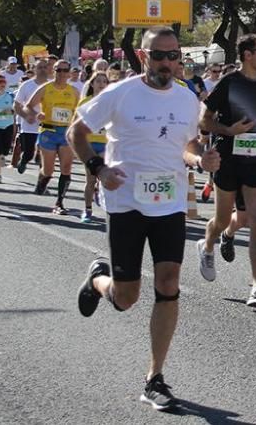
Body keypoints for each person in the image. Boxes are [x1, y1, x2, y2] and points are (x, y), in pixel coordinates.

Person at [72, 26, 218, 411]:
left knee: (169, 282)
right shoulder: (121, 93)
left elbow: (187, 143)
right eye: (159, 56)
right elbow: (77, 132)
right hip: (126, 202)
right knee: (126, 298)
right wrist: (99, 169)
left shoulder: (187, 99)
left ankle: (155, 377)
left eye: (174, 56)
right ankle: (97, 279)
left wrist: (200, 158)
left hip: (168, 202)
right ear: (142, 56)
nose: (168, 63)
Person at [196, 34, 256, 307]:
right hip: (228, 158)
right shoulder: (229, 83)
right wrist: (228, 130)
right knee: (223, 220)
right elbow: (204, 120)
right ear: (248, 55)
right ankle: (208, 244)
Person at [27, 59, 80, 214]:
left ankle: (59, 202)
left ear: (69, 73)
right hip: (48, 131)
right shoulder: (46, 88)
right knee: (49, 170)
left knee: (66, 168)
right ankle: (42, 180)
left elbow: (81, 111)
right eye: (58, 70)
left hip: (65, 132)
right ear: (53, 71)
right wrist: (38, 114)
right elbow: (29, 106)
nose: (62, 74)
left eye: (65, 71)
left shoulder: (74, 92)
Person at [76, 71, 110, 223]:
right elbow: (75, 124)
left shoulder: (111, 102)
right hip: (89, 144)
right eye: (98, 81)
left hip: (105, 144)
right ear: (92, 84)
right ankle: (88, 209)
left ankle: (109, 209)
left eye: (104, 81)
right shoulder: (85, 102)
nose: (101, 84)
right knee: (90, 179)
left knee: (104, 178)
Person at [13, 59, 50, 175]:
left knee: (44, 154)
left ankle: (42, 178)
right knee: (29, 153)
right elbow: (16, 105)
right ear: (34, 69)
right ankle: (24, 160)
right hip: (29, 124)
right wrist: (26, 116)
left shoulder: (52, 85)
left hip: (46, 125)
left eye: (45, 67)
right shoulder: (26, 85)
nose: (43, 70)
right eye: (40, 67)